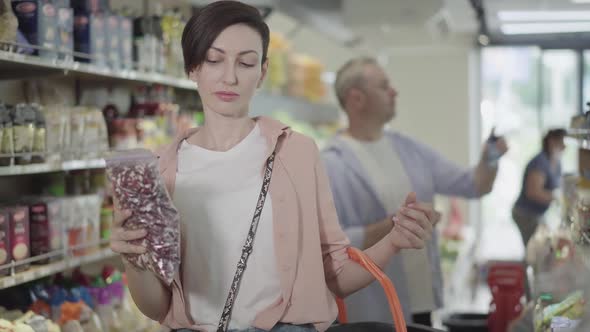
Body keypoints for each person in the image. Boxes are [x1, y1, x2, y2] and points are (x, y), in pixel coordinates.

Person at [108, 2, 439, 332]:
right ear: (193, 68)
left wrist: (394, 240)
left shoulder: (297, 153)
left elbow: (336, 274)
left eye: (246, 62)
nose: (230, 76)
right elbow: (158, 307)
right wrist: (134, 261)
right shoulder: (162, 170)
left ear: (262, 72)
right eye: (214, 59)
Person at [321, 57, 509, 326]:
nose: (394, 91)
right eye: (384, 86)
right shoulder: (331, 164)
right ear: (356, 99)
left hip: (421, 302)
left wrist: (490, 159)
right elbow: (331, 246)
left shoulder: (408, 149)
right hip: (376, 309)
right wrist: (396, 226)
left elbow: (474, 185)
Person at [513, 128, 566, 247]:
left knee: (543, 247)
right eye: (562, 141)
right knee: (535, 250)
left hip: (537, 214)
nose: (564, 146)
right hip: (525, 214)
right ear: (552, 141)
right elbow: (533, 192)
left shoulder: (556, 161)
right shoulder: (540, 162)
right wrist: (557, 197)